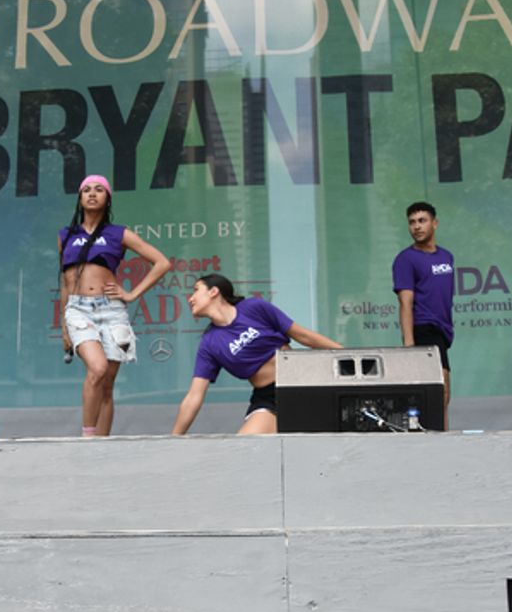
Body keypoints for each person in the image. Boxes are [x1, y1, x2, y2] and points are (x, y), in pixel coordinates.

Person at [58, 174, 171, 436]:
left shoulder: (118, 233)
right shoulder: (66, 235)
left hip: (111, 309)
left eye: (99, 189)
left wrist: (131, 294)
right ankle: (87, 437)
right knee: (97, 368)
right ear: (80, 197)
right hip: (78, 309)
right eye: (86, 189)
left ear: (107, 198)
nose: (92, 193)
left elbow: (162, 263)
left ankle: (101, 445)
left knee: (107, 385)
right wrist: (64, 325)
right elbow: (65, 282)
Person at [172, 274, 342, 435]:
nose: (190, 298)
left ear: (213, 291)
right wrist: (173, 440)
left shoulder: (254, 307)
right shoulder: (209, 344)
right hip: (269, 398)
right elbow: (194, 395)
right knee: (244, 447)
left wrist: (350, 355)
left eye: (196, 290)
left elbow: (304, 336)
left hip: (303, 380)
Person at [392, 201, 455, 429]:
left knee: (443, 395)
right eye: (412, 222)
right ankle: (438, 442)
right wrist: (409, 345)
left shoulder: (447, 257)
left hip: (442, 331)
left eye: (422, 221)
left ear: (434, 223)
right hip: (424, 329)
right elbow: (405, 302)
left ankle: (442, 437)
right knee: (440, 391)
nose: (417, 226)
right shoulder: (405, 259)